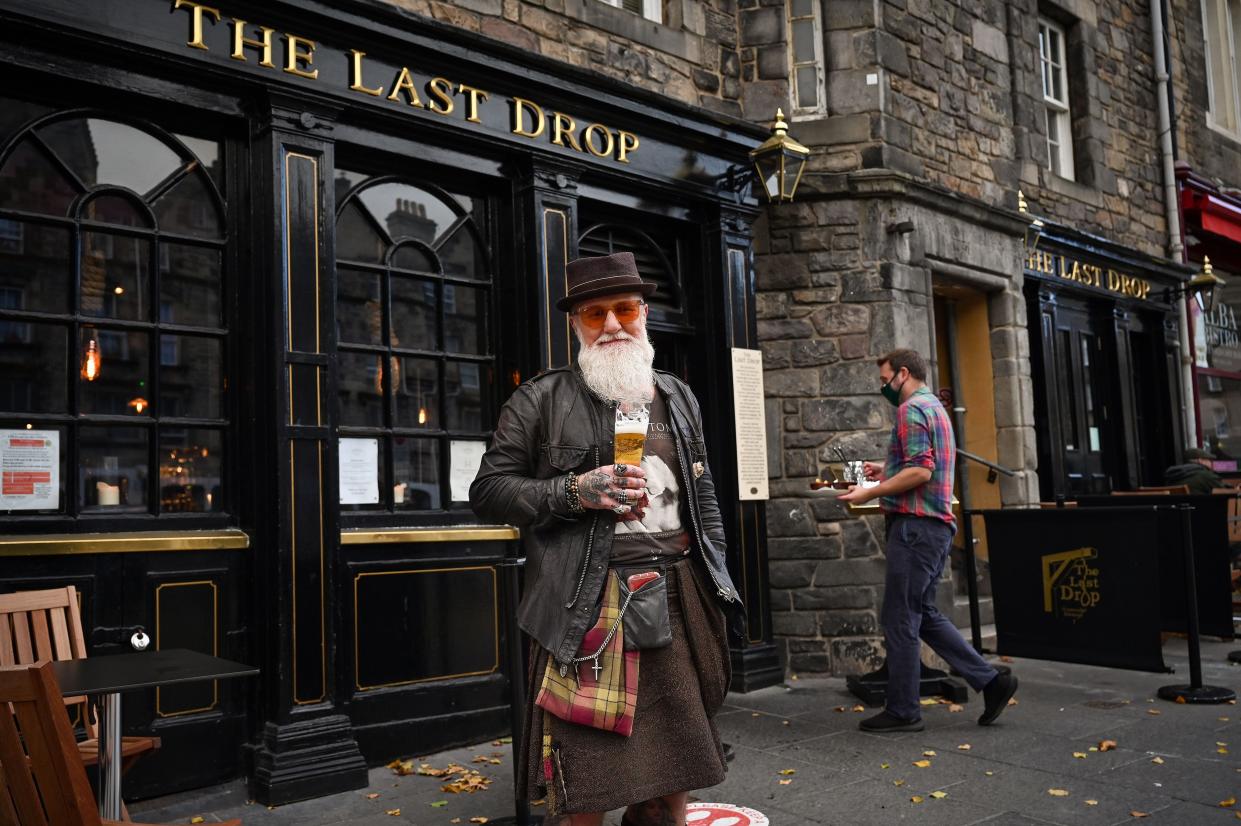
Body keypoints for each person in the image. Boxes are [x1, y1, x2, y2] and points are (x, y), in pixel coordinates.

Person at [470, 252, 741, 826]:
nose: (612, 325)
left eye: (623, 309)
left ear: (644, 313)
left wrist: (718, 581)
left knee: (676, 774)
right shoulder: (540, 399)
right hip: (588, 604)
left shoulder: (678, 396)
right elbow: (489, 489)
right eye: (595, 314)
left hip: (681, 592)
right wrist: (576, 490)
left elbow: (703, 496)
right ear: (576, 324)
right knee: (585, 789)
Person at [838, 349, 1018, 731]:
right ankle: (991, 681)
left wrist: (869, 491)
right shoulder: (933, 406)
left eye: (886, 380)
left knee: (900, 617)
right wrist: (883, 467)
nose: (883, 387)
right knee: (925, 614)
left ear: (904, 373)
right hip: (935, 527)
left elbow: (920, 471)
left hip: (915, 528)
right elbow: (922, 460)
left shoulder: (909, 410)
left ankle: (903, 710)